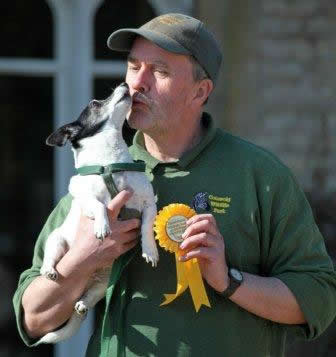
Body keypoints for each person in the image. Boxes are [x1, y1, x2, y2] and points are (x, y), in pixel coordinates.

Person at [13, 13, 336, 357]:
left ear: (201, 91)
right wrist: (81, 260)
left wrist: (229, 281)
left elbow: (318, 298)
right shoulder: (98, 180)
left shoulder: (259, 174)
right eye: (133, 66)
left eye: (160, 71)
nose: (138, 83)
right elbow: (33, 319)